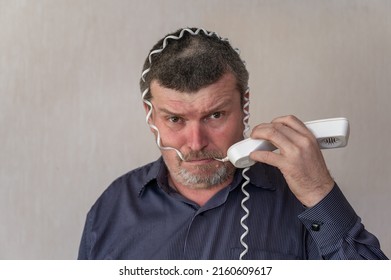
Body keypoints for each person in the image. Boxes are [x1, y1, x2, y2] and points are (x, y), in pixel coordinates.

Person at [78, 27, 388, 260]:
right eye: (175, 119)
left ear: (244, 107)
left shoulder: (299, 199)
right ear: (151, 116)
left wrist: (320, 193)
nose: (196, 143)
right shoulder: (111, 209)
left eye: (215, 115)